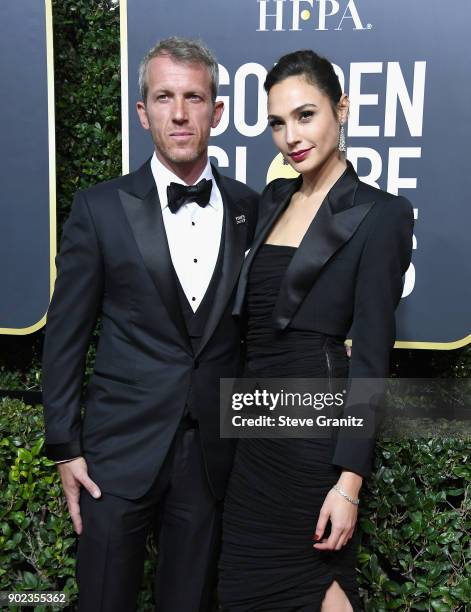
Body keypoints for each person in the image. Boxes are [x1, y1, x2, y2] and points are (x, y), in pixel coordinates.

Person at [42, 37, 258, 612]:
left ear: (218, 112)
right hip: (116, 455)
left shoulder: (251, 207)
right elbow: (65, 336)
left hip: (211, 456)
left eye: (194, 97)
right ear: (143, 113)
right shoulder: (99, 207)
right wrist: (65, 448)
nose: (179, 113)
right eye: (164, 97)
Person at [218, 50, 414, 611]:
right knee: (242, 589)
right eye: (278, 123)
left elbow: (372, 356)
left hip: (313, 438)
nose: (291, 137)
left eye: (305, 115)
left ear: (342, 109)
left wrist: (348, 483)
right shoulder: (273, 200)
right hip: (253, 435)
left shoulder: (381, 215)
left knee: (315, 583)